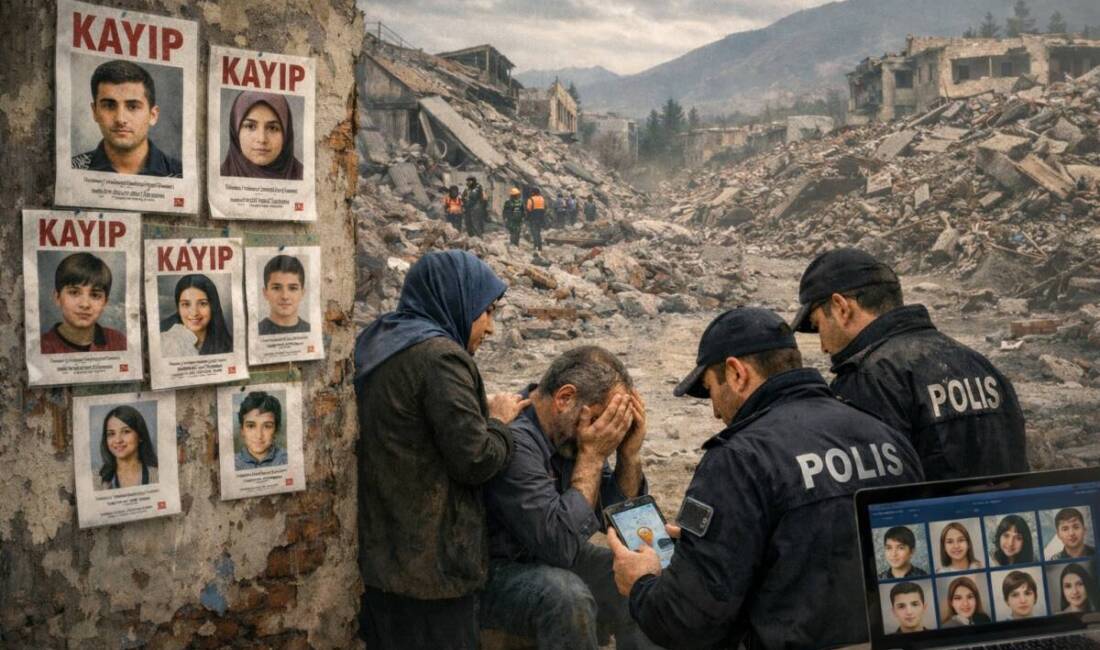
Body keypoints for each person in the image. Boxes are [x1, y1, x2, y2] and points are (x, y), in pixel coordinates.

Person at [607, 307, 924, 649]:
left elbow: (686, 620)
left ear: (736, 373)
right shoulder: (886, 437)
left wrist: (641, 582)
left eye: (711, 390)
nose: (715, 412)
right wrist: (719, 539)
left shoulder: (737, 459)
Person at [354, 250, 528, 649]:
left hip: (383, 563)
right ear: (457, 299)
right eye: (487, 312)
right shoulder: (441, 357)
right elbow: (476, 459)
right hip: (431, 573)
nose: (490, 327)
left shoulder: (385, 340)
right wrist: (499, 423)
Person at [791, 248, 1027, 481]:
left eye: (818, 325)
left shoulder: (867, 379)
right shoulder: (978, 363)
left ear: (842, 307)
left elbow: (865, 493)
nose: (823, 347)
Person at [481, 346, 660, 650]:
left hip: (546, 556)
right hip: (494, 570)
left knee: (642, 574)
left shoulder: (575, 432)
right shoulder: (517, 440)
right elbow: (559, 545)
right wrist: (592, 456)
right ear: (564, 398)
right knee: (566, 596)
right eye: (604, 420)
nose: (605, 432)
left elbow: (619, 521)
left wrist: (629, 455)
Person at [72, 60, 182, 177]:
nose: (120, 119)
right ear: (95, 112)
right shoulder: (73, 169)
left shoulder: (180, 173)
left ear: (153, 115)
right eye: (109, 106)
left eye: (133, 106)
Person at [41, 252, 127, 354]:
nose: (85, 304)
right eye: (74, 292)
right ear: (57, 298)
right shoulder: (42, 346)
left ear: (105, 302)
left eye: (95, 295)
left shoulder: (119, 342)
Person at [221, 91, 304, 180]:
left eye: (272, 128)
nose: (262, 139)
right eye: (250, 126)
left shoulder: (304, 176)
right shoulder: (220, 176)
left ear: (286, 133)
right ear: (235, 131)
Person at [159, 274, 233, 357]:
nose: (194, 313)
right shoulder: (165, 343)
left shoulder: (229, 346)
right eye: (186, 304)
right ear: (178, 308)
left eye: (202, 303)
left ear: (213, 306)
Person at [96, 405, 158, 490]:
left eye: (126, 431)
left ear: (140, 435)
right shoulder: (97, 480)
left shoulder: (158, 475)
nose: (118, 440)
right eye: (111, 434)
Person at [234, 391, 288, 470]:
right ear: (242, 430)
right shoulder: (232, 463)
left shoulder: (287, 459)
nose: (259, 435)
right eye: (251, 426)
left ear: (276, 430)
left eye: (267, 426)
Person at [258, 255, 310, 335]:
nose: (285, 296)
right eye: (276, 288)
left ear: (302, 293)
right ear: (265, 293)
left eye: (292, 288)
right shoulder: (255, 331)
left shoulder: (312, 331)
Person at [525, 187, 547, 254]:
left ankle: (535, 246)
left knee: (534, 232)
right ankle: (540, 247)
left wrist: (527, 217)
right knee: (538, 232)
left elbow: (528, 209)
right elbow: (545, 208)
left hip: (533, 217)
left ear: (533, 193)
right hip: (541, 218)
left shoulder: (530, 199)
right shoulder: (542, 199)